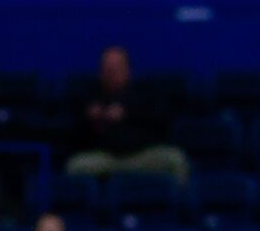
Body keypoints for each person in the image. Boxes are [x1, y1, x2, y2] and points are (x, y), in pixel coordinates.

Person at [66, 45, 188, 182]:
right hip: (106, 157)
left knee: (175, 159)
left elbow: (161, 125)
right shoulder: (90, 97)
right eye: (107, 68)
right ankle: (91, 203)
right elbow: (77, 138)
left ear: (127, 70)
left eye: (116, 67)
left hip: (142, 155)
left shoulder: (144, 94)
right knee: (76, 166)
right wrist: (92, 121)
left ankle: (181, 202)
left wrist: (127, 114)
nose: (111, 72)